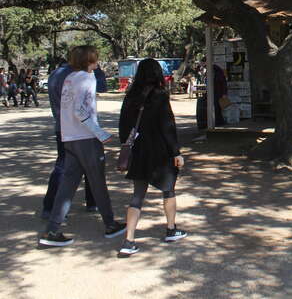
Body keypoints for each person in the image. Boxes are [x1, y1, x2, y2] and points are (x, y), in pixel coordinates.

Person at [39, 46, 126, 247]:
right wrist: (99, 133)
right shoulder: (88, 78)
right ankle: (110, 224)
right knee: (97, 181)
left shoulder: (70, 78)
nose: (97, 62)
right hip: (86, 138)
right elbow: (80, 110)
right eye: (95, 58)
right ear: (89, 60)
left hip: (68, 137)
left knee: (68, 184)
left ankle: (53, 228)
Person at [117, 58, 186, 256]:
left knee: (137, 196)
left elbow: (123, 126)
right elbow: (167, 125)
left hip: (139, 151)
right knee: (168, 191)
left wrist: (127, 146)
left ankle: (128, 240)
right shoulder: (160, 95)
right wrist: (176, 152)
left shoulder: (130, 95)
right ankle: (171, 229)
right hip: (160, 152)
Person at [41, 57, 99, 220]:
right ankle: (91, 202)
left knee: (64, 165)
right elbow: (79, 108)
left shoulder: (54, 75)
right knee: (83, 166)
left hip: (61, 126)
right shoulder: (77, 76)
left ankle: (50, 205)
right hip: (80, 129)